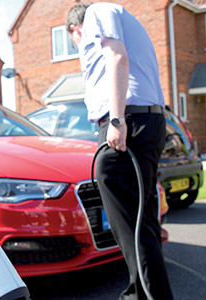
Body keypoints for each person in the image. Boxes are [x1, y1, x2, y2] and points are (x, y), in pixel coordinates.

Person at [66, 2, 173, 300]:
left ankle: (137, 295)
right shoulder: (125, 20)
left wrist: (116, 118)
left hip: (126, 122)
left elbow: (116, 56)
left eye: (79, 43)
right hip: (146, 120)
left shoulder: (97, 13)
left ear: (76, 30)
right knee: (143, 222)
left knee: (129, 223)